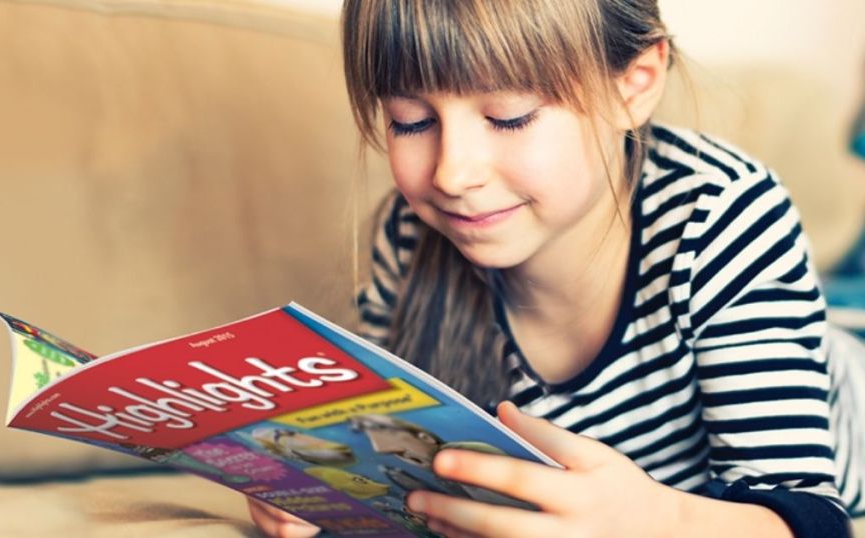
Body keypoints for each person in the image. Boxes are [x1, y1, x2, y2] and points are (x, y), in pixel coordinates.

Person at [248, 0, 865, 536]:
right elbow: (385, 454)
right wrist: (316, 493)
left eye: (509, 115)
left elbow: (803, 516)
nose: (452, 173)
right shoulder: (409, 235)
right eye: (412, 120)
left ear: (634, 85)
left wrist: (655, 523)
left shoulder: (722, 217)